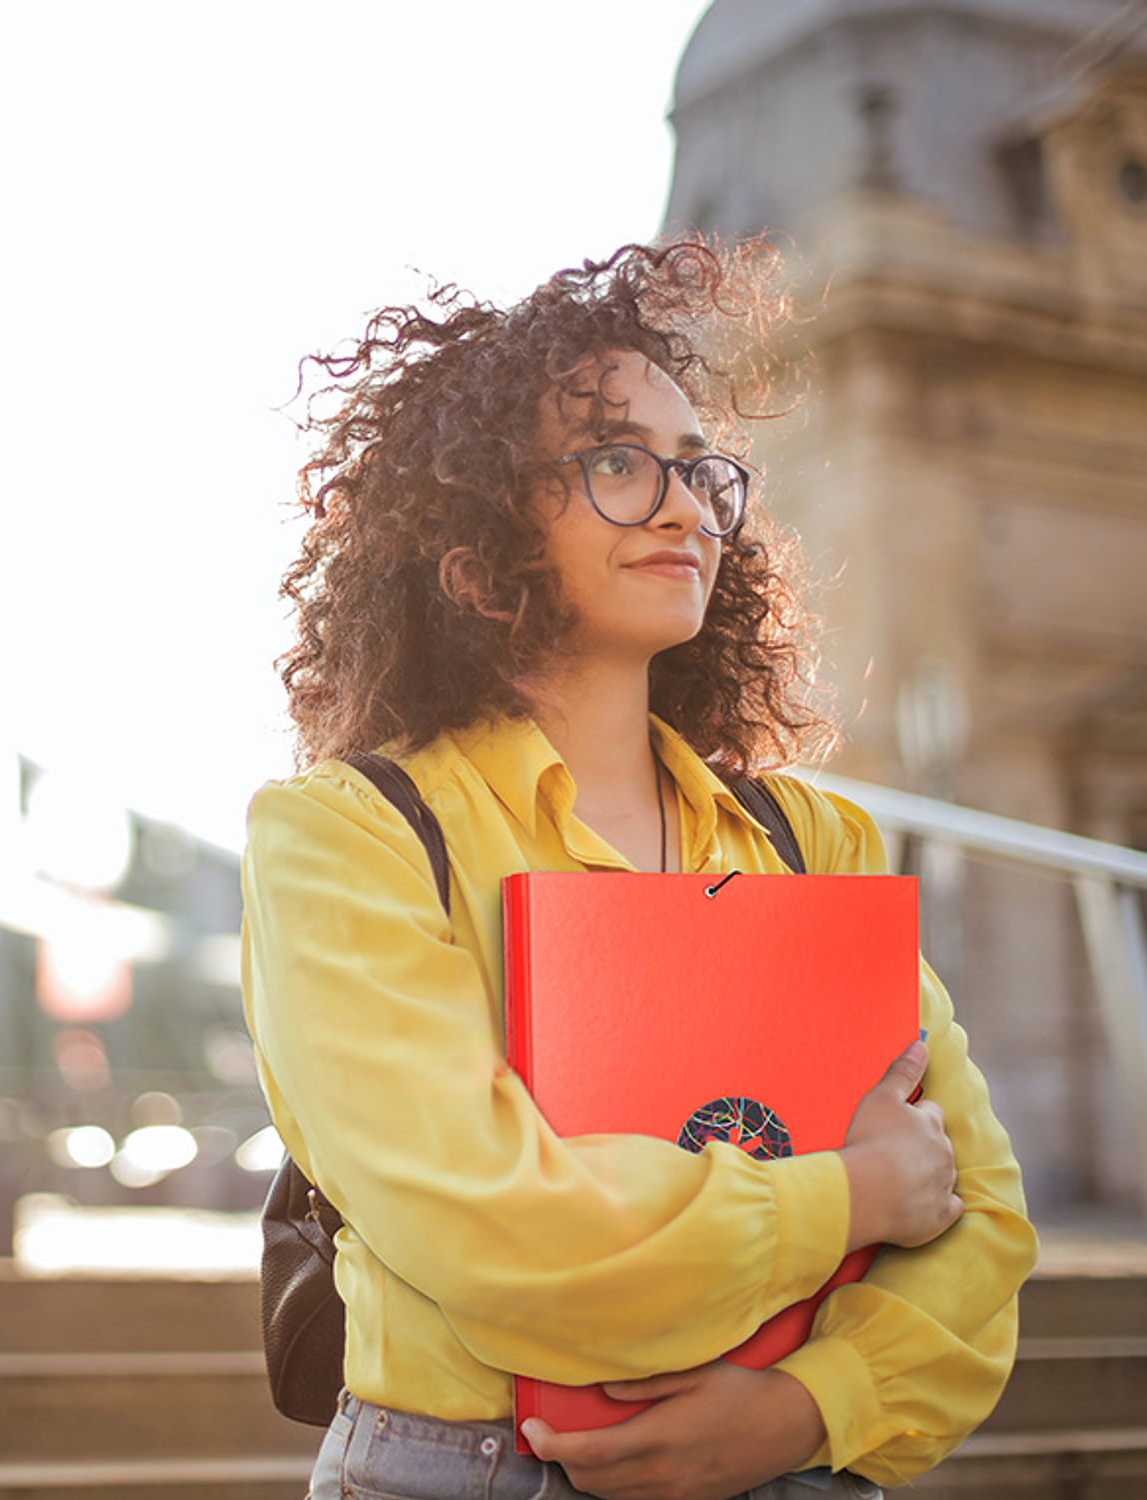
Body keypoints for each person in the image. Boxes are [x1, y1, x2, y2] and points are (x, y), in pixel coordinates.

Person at [240, 239, 1037, 1500]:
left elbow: (984, 1221)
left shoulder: (812, 846)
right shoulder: (350, 836)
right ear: (472, 542)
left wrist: (812, 1407)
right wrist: (850, 1198)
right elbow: (499, 1232)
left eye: (695, 469)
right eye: (615, 461)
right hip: (463, 1472)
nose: (680, 506)